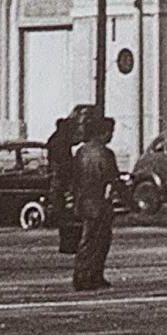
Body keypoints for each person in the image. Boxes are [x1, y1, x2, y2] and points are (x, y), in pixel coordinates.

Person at [71, 116, 126, 291]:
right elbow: (113, 179)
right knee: (100, 241)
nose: (111, 136)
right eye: (110, 132)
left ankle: (81, 275)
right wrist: (127, 199)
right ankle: (93, 275)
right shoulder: (105, 153)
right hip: (100, 203)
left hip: (83, 201)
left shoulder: (81, 152)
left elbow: (74, 177)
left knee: (86, 240)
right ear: (103, 133)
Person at [44, 113, 78, 218]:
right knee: (63, 192)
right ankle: (60, 212)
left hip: (57, 169)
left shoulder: (53, 138)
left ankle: (58, 211)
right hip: (61, 169)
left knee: (58, 192)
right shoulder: (62, 139)